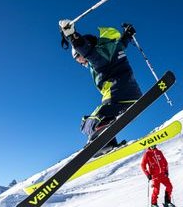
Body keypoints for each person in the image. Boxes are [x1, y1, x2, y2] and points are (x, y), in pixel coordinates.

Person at [58, 19, 142, 152]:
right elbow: (122, 43)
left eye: (78, 58)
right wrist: (128, 34)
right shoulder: (113, 47)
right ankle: (108, 142)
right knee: (100, 117)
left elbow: (86, 49)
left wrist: (71, 35)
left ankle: (99, 143)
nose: (80, 62)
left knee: (87, 124)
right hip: (133, 95)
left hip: (117, 95)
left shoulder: (98, 56)